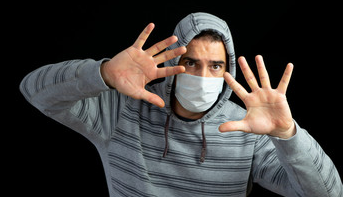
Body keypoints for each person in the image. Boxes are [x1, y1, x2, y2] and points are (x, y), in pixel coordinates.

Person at [20, 12, 342, 196]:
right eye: (191, 63)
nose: (203, 76)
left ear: (226, 69)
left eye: (215, 66)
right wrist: (100, 73)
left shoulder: (248, 130)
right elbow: (34, 91)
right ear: (174, 64)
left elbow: (325, 195)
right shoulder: (122, 111)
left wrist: (287, 134)